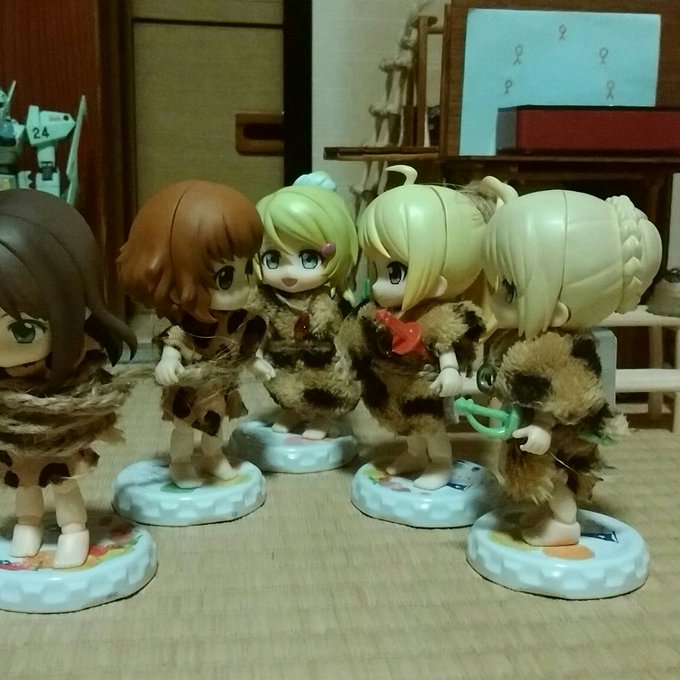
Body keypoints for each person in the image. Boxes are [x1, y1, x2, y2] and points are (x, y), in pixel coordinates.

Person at [479, 176, 662, 545]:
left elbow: (567, 397)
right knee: (538, 477)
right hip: (530, 433)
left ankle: (564, 524)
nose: (495, 298)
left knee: (559, 477)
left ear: (559, 310)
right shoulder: (528, 343)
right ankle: (546, 514)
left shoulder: (562, 353)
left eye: (510, 289)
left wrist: (544, 426)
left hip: (560, 441)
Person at [0, 189, 136, 568]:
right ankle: (28, 523)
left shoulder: (74, 365)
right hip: (16, 444)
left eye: (22, 330)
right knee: (25, 483)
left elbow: (90, 391)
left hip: (58, 439)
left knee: (62, 483)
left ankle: (74, 530)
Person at [341, 165, 493, 490]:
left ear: (438, 280)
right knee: (405, 423)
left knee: (431, 426)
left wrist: (449, 371)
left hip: (426, 386)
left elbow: (445, 342)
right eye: (375, 269)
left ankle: (440, 461)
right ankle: (414, 454)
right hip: (394, 383)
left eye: (394, 272)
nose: (378, 285)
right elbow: (360, 336)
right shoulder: (378, 310)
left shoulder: (439, 316)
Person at [118, 180, 266, 488]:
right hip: (190, 391)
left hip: (219, 389)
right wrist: (168, 361)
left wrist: (256, 363)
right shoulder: (186, 326)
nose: (243, 287)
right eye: (226, 277)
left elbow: (245, 347)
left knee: (216, 428)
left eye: (248, 269)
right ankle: (181, 463)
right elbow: (175, 341)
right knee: (184, 429)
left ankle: (213, 457)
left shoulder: (238, 320)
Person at [252, 172, 361, 440]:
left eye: (308, 258)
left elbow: (347, 333)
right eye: (273, 258)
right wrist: (255, 355)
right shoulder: (266, 299)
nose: (290, 272)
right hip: (283, 359)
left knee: (324, 388)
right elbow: (255, 329)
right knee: (285, 386)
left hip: (323, 361)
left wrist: (349, 359)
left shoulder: (332, 300)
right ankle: (292, 410)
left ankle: (323, 417)